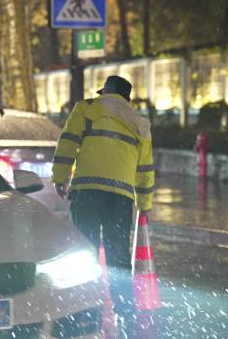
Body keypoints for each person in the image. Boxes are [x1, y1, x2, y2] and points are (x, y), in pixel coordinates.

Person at [51, 75, 155, 339]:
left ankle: (84, 310)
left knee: (84, 252)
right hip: (120, 199)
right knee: (118, 256)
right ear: (127, 98)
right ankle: (124, 312)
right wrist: (145, 204)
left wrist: (61, 178)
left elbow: (68, 143)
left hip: (86, 192)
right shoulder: (140, 124)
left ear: (105, 92)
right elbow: (145, 170)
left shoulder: (86, 109)